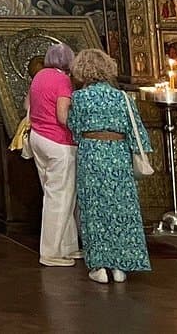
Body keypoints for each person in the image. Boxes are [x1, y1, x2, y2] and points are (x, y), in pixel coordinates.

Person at [67, 48, 152, 283]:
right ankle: (120, 266)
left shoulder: (80, 98)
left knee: (94, 209)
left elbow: (74, 128)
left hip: (91, 154)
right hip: (119, 155)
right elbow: (137, 131)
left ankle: (99, 267)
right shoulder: (122, 97)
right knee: (121, 209)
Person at [27, 42, 80, 267]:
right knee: (60, 198)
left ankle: (68, 246)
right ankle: (51, 252)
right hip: (58, 142)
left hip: (38, 138)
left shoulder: (39, 76)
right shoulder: (63, 81)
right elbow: (62, 115)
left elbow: (29, 105)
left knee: (58, 195)